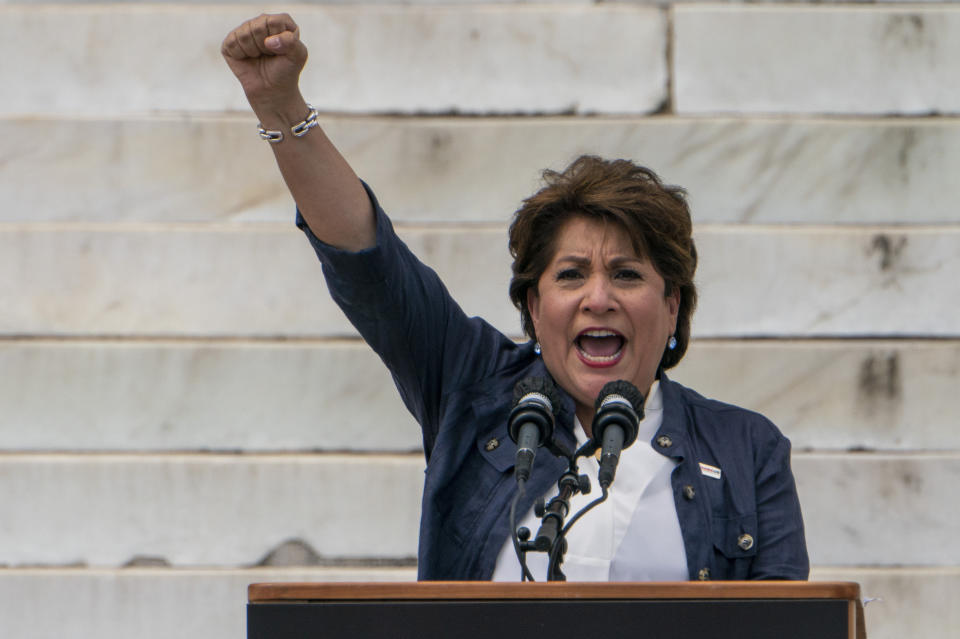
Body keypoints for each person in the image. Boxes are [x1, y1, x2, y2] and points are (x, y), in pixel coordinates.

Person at [221, 13, 809, 582]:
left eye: (627, 275)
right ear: (532, 307)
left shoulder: (746, 450)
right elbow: (370, 265)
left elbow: (791, 624)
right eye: (571, 275)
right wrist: (281, 106)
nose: (598, 298)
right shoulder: (473, 393)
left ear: (673, 305)